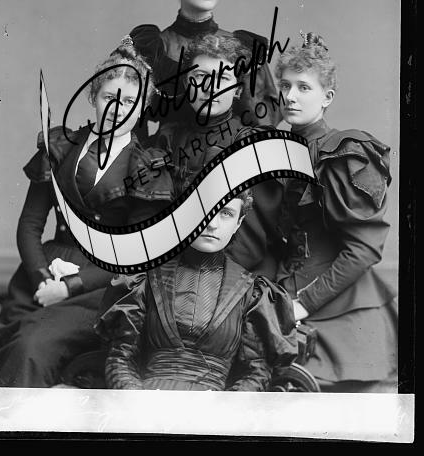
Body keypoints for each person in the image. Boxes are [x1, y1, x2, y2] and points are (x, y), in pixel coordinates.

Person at [0, 39, 174, 387]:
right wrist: (42, 278)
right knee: (2, 345)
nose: (118, 109)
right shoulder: (61, 147)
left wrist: (69, 287)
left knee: (32, 347)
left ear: (142, 109)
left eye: (130, 102)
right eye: (109, 97)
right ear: (93, 97)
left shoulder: (146, 166)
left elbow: (134, 254)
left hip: (102, 287)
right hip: (40, 276)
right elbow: (30, 224)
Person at [273, 32, 398, 393]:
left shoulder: (341, 154)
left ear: (327, 97)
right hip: (284, 287)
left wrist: (304, 304)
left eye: (304, 87)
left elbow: (364, 249)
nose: (290, 96)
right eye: (285, 85)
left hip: (336, 305)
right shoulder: (275, 150)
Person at [96, 191, 298, 391]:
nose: (212, 224)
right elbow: (120, 359)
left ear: (238, 222)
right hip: (146, 405)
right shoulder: (144, 280)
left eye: (226, 213)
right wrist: (140, 402)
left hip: (215, 410)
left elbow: (256, 373)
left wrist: (220, 409)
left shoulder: (252, 293)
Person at [129, 0, 282, 144]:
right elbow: (128, 123)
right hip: (165, 159)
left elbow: (262, 123)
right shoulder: (153, 47)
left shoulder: (243, 49)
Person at [156, 33, 283, 279]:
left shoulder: (250, 145)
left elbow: (251, 242)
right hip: (172, 267)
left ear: (237, 90)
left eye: (222, 78)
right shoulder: (169, 139)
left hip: (230, 274)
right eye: (200, 76)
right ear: (187, 84)